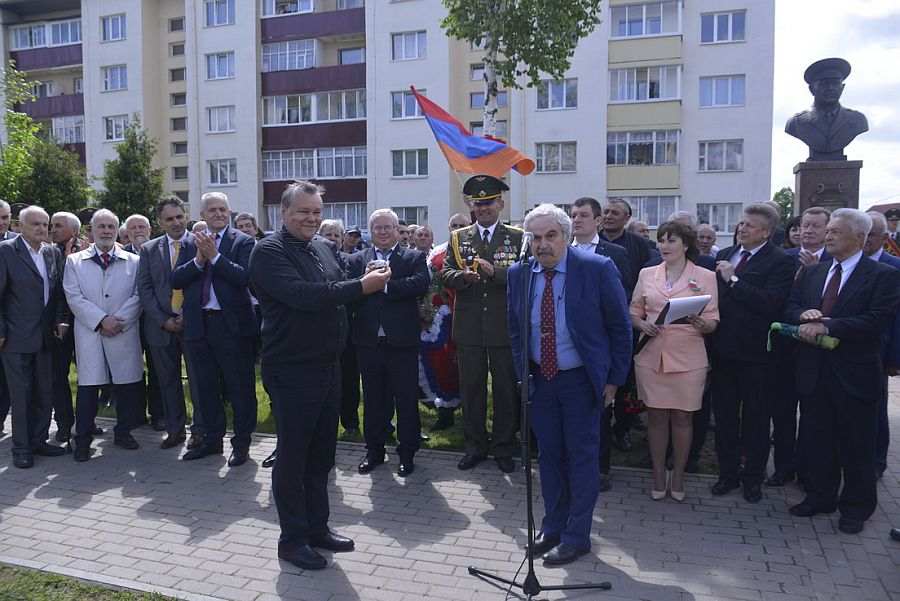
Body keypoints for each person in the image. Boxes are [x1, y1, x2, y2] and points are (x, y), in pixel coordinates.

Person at [249, 180, 391, 570]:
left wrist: (372, 269)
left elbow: (342, 275)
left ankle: (317, 528)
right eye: (303, 212)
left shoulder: (323, 247)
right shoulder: (268, 251)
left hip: (329, 365)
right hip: (292, 368)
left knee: (322, 457)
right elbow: (307, 296)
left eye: (317, 212)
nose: (312, 219)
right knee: (293, 458)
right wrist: (363, 287)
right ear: (284, 213)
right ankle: (292, 540)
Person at [507, 204, 631, 566]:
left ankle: (577, 536)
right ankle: (553, 527)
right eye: (535, 237)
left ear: (566, 236)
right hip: (539, 381)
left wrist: (613, 380)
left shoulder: (595, 268)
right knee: (548, 457)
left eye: (550, 235)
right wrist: (521, 375)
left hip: (580, 381)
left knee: (581, 458)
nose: (542, 244)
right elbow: (515, 330)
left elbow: (619, 328)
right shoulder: (520, 274)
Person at [786, 209, 900, 534]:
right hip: (814, 373)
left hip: (855, 376)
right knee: (817, 440)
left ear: (860, 238)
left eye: (836, 231)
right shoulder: (812, 273)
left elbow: (876, 320)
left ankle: (855, 508)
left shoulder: (883, 275)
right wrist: (803, 315)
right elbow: (791, 307)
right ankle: (820, 496)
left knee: (857, 447)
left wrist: (828, 325)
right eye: (829, 230)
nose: (829, 235)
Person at [710, 203, 796, 503]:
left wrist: (734, 279)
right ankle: (727, 474)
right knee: (724, 419)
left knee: (757, 421)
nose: (741, 228)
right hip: (722, 353)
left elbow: (770, 303)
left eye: (749, 225)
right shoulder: (723, 255)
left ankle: (752, 479)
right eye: (741, 223)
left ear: (767, 232)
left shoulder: (781, 262)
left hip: (758, 357)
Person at [441, 175, 524, 473]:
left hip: (504, 327)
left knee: (504, 390)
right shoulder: (458, 237)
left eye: (489, 202)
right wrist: (462, 278)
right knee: (472, 389)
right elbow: (445, 272)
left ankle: (503, 446)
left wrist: (495, 273)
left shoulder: (518, 236)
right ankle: (475, 446)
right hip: (470, 328)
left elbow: (524, 274)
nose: (484, 208)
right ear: (471, 205)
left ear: (500, 203)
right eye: (478, 203)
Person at [630, 221, 719, 501]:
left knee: (683, 417)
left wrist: (702, 323)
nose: (664, 246)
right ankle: (658, 472)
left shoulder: (705, 275)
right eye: (661, 240)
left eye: (671, 240)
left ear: (685, 245)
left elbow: (714, 319)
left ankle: (678, 472)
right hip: (651, 355)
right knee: (655, 417)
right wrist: (642, 325)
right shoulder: (647, 273)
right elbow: (634, 310)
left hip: (688, 357)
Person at [172, 192, 257, 467]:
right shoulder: (189, 242)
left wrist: (215, 257)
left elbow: (244, 278)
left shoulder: (243, 242)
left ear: (229, 212)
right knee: (206, 388)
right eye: (212, 210)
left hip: (231, 326)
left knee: (239, 388)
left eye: (223, 209)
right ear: (202, 214)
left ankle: (241, 444)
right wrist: (198, 260)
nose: (218, 214)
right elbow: (176, 278)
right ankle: (212, 441)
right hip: (199, 325)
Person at [348, 209, 429, 477]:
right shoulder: (358, 258)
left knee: (405, 399)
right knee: (373, 400)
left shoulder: (413, 257)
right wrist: (363, 282)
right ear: (371, 231)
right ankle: (374, 451)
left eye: (388, 227)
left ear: (397, 230)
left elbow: (420, 284)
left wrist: (382, 285)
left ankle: (407, 453)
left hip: (402, 342)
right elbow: (348, 290)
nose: (383, 232)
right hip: (369, 342)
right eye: (378, 228)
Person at [64, 209, 145, 461]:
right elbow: (73, 296)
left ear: (117, 230)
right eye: (102, 227)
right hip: (91, 331)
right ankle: (83, 440)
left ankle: (123, 432)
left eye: (111, 226)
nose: (107, 231)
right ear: (92, 230)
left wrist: (120, 320)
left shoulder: (133, 261)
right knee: (89, 388)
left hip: (123, 329)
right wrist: (101, 321)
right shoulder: (75, 261)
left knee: (126, 386)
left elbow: (139, 294)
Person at [0, 206, 68, 468]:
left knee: (44, 391)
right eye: (35, 224)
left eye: (45, 224)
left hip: (46, 337)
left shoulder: (51, 252)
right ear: (20, 225)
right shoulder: (6, 251)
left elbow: (59, 291)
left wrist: (62, 319)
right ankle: (22, 448)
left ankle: (39, 440)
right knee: (21, 395)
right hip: (15, 338)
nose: (42, 229)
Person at [137, 196, 205, 451]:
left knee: (198, 381)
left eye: (179, 216)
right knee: (167, 381)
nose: (176, 222)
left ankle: (200, 431)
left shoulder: (199, 244)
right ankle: (175, 430)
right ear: (159, 222)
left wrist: (188, 315)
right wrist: (163, 320)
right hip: (161, 328)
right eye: (169, 219)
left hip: (193, 324)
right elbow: (144, 289)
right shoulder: (149, 249)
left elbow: (204, 284)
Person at [420, 213, 470, 430]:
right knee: (442, 363)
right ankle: (445, 411)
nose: (458, 228)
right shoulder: (437, 253)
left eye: (462, 225)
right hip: (443, 320)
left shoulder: (476, 249)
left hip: (472, 318)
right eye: (454, 225)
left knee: (470, 367)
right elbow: (429, 287)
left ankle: (472, 415)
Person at [863, 211, 900, 480]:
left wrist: (894, 358)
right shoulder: (838, 263)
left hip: (880, 350)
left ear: (885, 238)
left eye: (871, 235)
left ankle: (876, 461)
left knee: (875, 409)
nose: (865, 240)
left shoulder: (894, 267)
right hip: (842, 351)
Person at [48, 211, 83, 443]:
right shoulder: (48, 252)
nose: (53, 229)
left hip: (83, 323)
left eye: (58, 225)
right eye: (52, 225)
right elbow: (56, 289)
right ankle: (63, 424)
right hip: (59, 325)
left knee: (89, 377)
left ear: (74, 230)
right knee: (58, 377)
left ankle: (85, 421)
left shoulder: (88, 252)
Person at [570, 197, 632, 294]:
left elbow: (624, 292)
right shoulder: (562, 251)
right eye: (573, 216)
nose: (577, 220)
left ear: (598, 221)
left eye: (584, 215)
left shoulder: (616, 253)